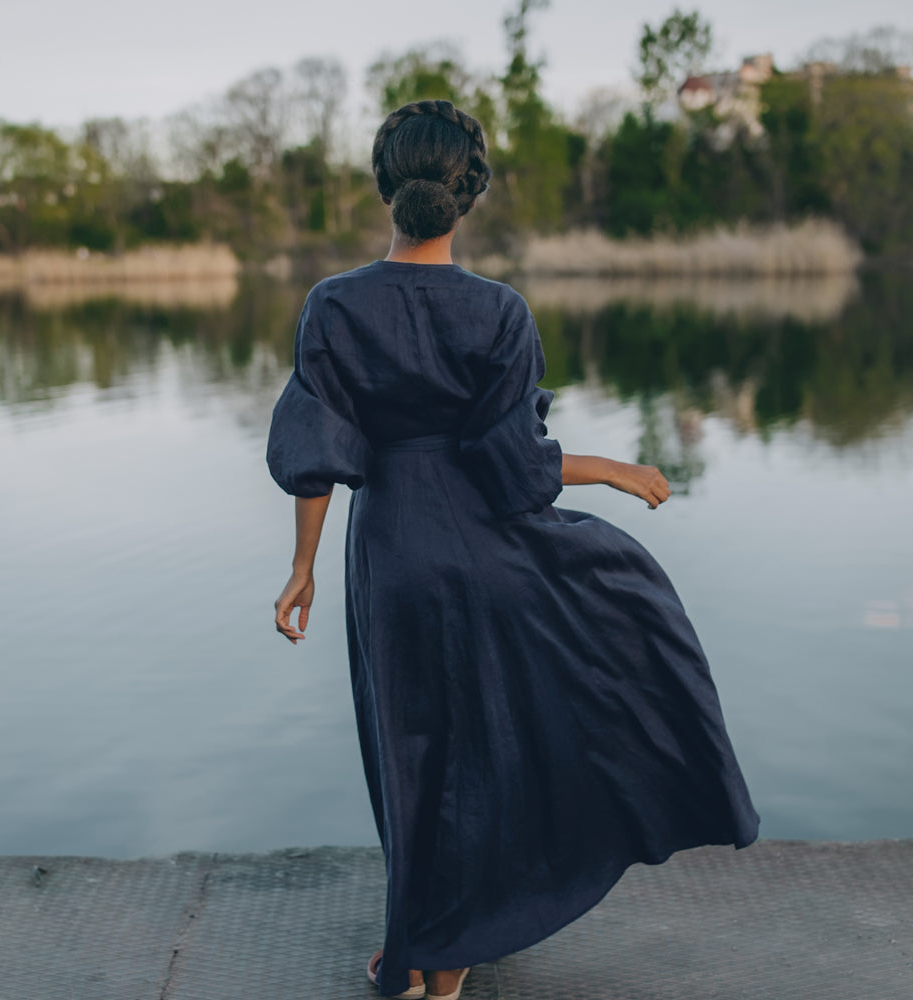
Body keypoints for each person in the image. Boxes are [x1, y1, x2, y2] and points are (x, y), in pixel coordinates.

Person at [267, 99, 759, 1000]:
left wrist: (301, 567)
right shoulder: (500, 313)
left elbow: (317, 457)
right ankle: (442, 958)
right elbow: (513, 470)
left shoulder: (332, 306)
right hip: (486, 545)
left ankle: (421, 951)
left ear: (387, 187)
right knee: (491, 743)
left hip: (388, 550)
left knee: (406, 751)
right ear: (470, 195)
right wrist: (607, 467)